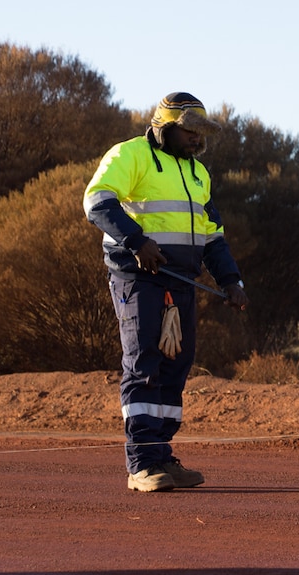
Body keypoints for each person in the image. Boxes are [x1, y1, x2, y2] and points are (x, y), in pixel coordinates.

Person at [83, 92, 248, 492]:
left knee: (177, 364)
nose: (197, 139)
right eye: (190, 130)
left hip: (183, 284)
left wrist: (232, 281)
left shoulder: (199, 174)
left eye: (202, 133)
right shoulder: (130, 155)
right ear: (166, 127)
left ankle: (161, 455)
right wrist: (137, 242)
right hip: (138, 279)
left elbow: (213, 236)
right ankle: (141, 464)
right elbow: (97, 202)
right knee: (144, 362)